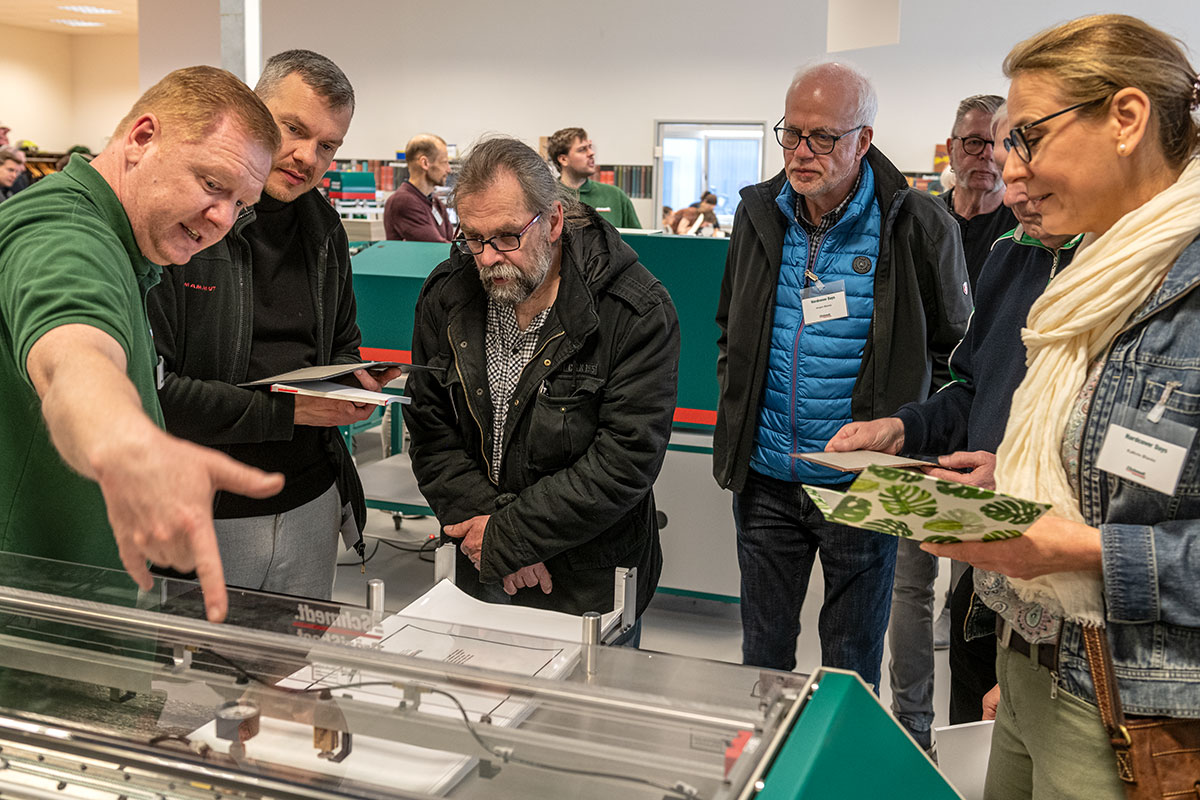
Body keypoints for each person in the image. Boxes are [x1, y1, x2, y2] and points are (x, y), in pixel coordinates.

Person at [920, 14, 1200, 797]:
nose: (1011, 170)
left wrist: (1081, 550)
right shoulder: (1097, 274)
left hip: (1136, 710)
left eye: (1030, 138)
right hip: (1030, 661)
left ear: (1127, 118)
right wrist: (1015, 483)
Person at [828, 103, 1083, 747]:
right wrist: (901, 430)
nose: (1010, 186)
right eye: (1002, 158)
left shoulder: (1130, 273)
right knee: (978, 735)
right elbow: (971, 388)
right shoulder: (1012, 256)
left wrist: (1017, 474)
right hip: (994, 586)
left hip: (1082, 614)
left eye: (1024, 156)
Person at [712, 62, 971, 690]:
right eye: (792, 133)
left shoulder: (916, 223)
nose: (802, 152)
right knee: (763, 661)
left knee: (850, 667)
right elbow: (730, 327)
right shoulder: (757, 214)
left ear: (864, 139)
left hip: (860, 483)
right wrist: (739, 405)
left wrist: (910, 436)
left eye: (824, 137)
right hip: (767, 478)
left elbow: (956, 353)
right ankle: (767, 756)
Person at [0, 66, 283, 623]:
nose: (223, 219)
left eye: (240, 203)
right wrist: (132, 447)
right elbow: (73, 355)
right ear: (142, 138)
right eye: (212, 184)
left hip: (83, 608)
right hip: (36, 633)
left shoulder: (127, 247)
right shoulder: (62, 231)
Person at [147, 51, 397, 601]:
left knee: (299, 658)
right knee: (203, 659)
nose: (308, 156)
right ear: (252, 110)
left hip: (311, 501)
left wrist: (352, 385)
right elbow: (155, 393)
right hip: (206, 510)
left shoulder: (325, 229)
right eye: (294, 129)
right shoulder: (188, 224)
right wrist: (289, 410)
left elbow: (343, 345)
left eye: (328, 146)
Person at [404, 136, 679, 632]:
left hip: (588, 581)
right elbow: (430, 430)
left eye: (507, 236)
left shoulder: (633, 310)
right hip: (477, 565)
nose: (488, 257)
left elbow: (624, 460)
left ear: (553, 221)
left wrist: (508, 536)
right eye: (473, 238)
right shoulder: (448, 296)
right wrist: (494, 538)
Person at [943, 94, 1016, 290]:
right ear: (950, 150)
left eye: (999, 143)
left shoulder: (1025, 227)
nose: (987, 154)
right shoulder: (926, 218)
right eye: (974, 142)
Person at [547, 127, 641, 228]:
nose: (591, 153)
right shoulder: (547, 196)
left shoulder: (616, 196)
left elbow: (637, 236)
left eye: (590, 147)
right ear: (563, 159)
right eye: (582, 149)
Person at [384, 133, 454, 242]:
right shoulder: (403, 201)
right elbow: (435, 246)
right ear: (425, 163)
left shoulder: (436, 203)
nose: (449, 170)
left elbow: (451, 242)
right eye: (444, 162)